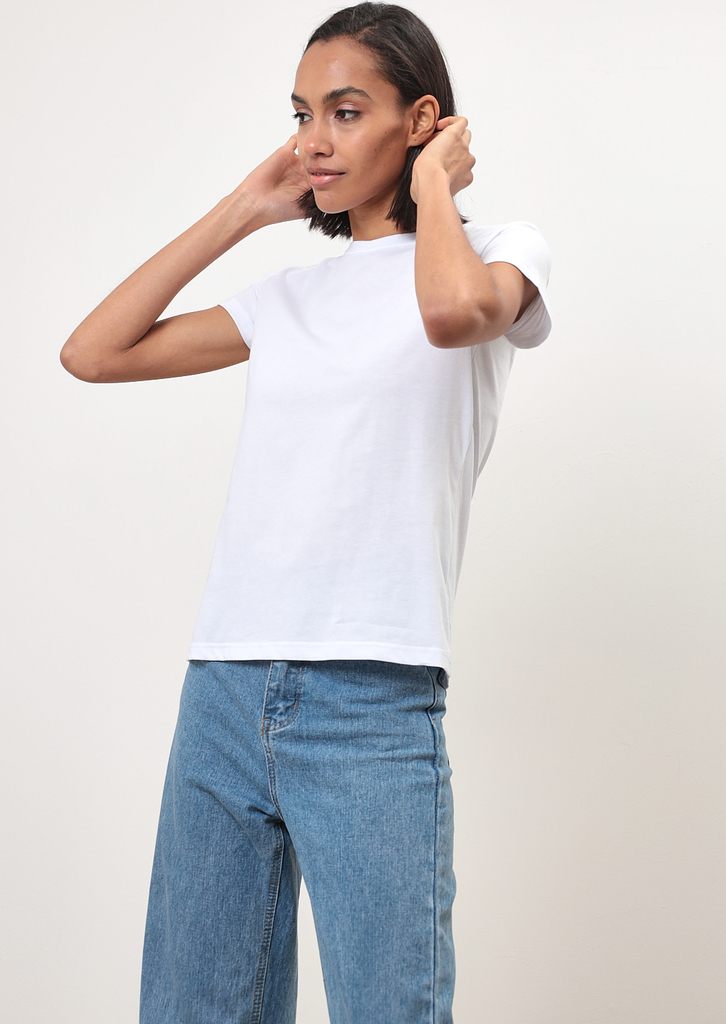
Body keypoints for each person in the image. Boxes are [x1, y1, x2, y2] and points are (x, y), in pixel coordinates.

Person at [61, 3, 552, 1021]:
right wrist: (244, 208)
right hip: (224, 689)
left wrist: (432, 187)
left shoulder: (499, 253)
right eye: (301, 114)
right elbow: (92, 353)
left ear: (422, 120)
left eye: (346, 111)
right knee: (193, 1007)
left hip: (372, 695)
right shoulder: (285, 298)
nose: (314, 140)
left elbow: (452, 316)